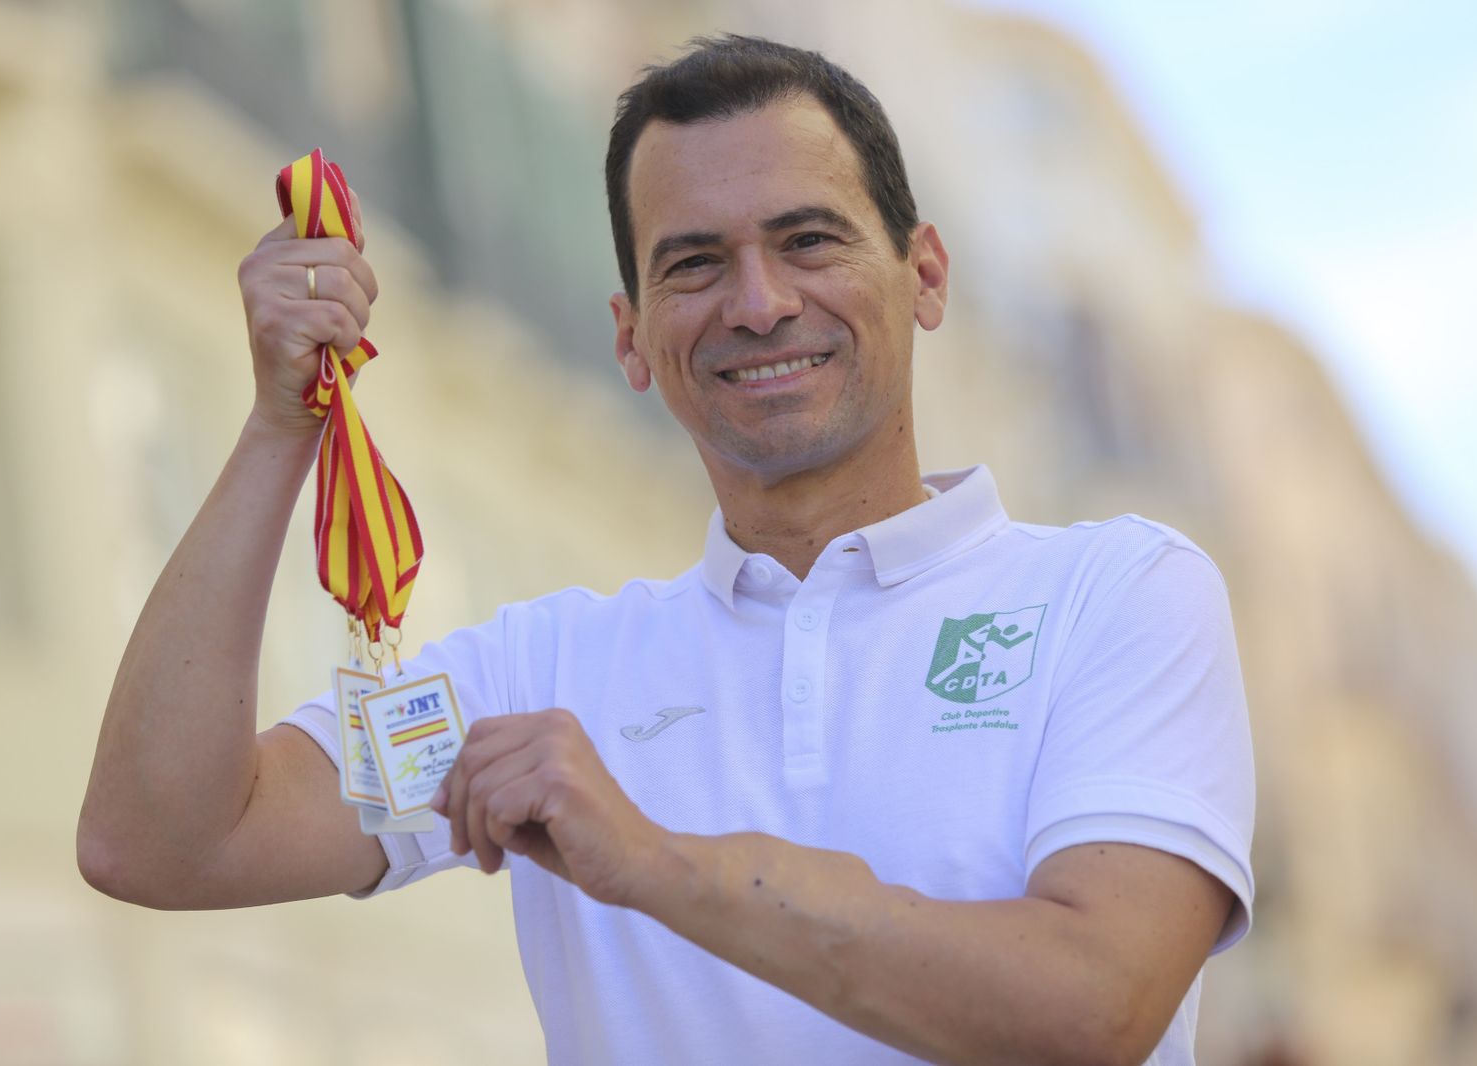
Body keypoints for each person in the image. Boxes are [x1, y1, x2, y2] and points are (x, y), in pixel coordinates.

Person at [79, 35, 1254, 1066]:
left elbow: (1096, 1006)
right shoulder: (533, 678)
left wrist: (649, 859)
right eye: (693, 263)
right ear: (631, 337)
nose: (756, 302)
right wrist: (281, 425)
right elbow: (164, 841)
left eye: (808, 240)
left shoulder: (1115, 593)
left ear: (926, 275)